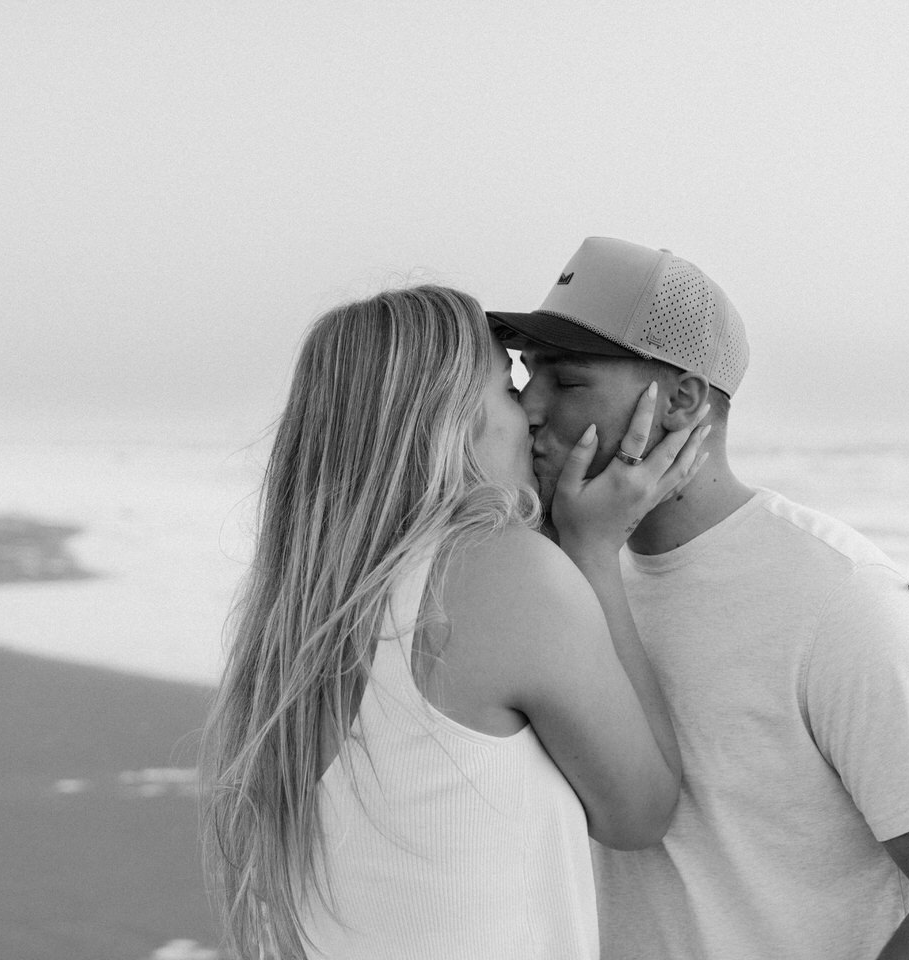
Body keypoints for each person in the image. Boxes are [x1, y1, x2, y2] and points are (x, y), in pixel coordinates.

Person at [489, 237, 909, 960]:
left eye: (569, 381)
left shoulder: (841, 602)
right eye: (528, 376)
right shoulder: (554, 573)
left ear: (680, 399)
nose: (530, 407)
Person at [199, 284, 711, 960]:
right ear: (447, 419)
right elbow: (640, 812)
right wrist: (592, 552)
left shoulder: (298, 615)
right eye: (506, 388)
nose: (530, 414)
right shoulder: (506, 573)